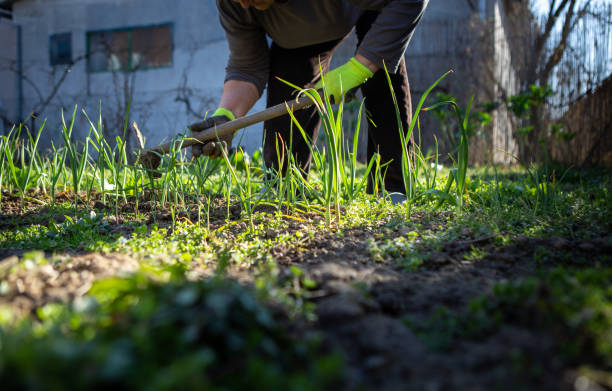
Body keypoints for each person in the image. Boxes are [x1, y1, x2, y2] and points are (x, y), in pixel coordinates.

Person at [191, 0, 428, 196]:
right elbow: (247, 68)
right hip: (295, 40)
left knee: (382, 67)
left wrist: (360, 68)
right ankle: (286, 193)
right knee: (283, 166)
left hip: (370, 8)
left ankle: (393, 188)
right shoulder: (234, 4)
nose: (242, 4)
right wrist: (225, 118)